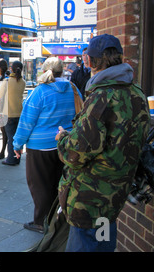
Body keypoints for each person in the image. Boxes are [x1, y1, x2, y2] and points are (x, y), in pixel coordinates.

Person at [56, 34, 151, 252]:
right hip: (113, 198)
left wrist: (62, 139)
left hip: (90, 201)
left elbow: (76, 153)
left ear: (89, 61)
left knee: (87, 245)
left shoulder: (102, 96)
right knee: (103, 243)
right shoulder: (137, 93)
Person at [13, 57, 80, 233]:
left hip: (40, 147)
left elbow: (26, 121)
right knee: (59, 182)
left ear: (45, 71)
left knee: (40, 185)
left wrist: (17, 143)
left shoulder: (40, 92)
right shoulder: (72, 89)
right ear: (62, 71)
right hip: (65, 144)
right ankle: (59, 218)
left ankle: (41, 221)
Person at [0, 60, 25, 166]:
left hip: (8, 113)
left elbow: (0, 94)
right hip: (20, 113)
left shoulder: (6, 81)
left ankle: (11, 159)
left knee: (11, 138)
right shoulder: (23, 82)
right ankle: (17, 158)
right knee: (17, 137)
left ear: (11, 69)